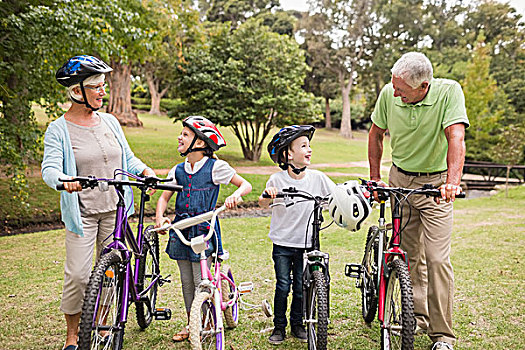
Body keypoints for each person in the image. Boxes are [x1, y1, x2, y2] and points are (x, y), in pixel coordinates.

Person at [41, 55, 156, 350]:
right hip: (83, 212)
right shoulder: (59, 130)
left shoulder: (110, 121)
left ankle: (103, 324)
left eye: (103, 85)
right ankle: (73, 334)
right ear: (77, 92)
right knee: (79, 275)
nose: (103, 91)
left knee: (110, 273)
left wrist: (144, 171)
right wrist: (64, 180)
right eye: (96, 87)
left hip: (115, 209)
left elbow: (126, 157)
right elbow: (50, 168)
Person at [368, 52, 469, 350]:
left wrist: (452, 181)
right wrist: (375, 177)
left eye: (401, 89)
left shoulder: (449, 92)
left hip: (436, 187)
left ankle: (442, 335)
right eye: (394, 85)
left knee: (437, 259)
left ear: (423, 86)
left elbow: (456, 138)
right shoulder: (390, 93)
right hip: (400, 181)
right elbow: (375, 135)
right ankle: (418, 318)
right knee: (408, 256)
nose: (394, 92)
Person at [154, 116, 252, 342]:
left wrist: (235, 196)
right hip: (181, 229)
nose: (180, 137)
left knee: (201, 280)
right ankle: (192, 323)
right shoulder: (177, 170)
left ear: (199, 143)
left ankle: (207, 322)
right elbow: (164, 198)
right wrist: (161, 218)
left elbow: (244, 184)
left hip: (203, 228)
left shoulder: (215, 167)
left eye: (185, 135)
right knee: (187, 281)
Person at [259, 125, 335, 345]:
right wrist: (268, 194)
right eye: (303, 146)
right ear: (288, 154)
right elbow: (263, 202)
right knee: (283, 285)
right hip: (282, 244)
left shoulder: (318, 178)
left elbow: (336, 196)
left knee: (302, 288)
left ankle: (298, 324)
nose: (309, 150)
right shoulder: (277, 180)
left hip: (307, 244)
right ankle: (279, 327)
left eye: (309, 145)